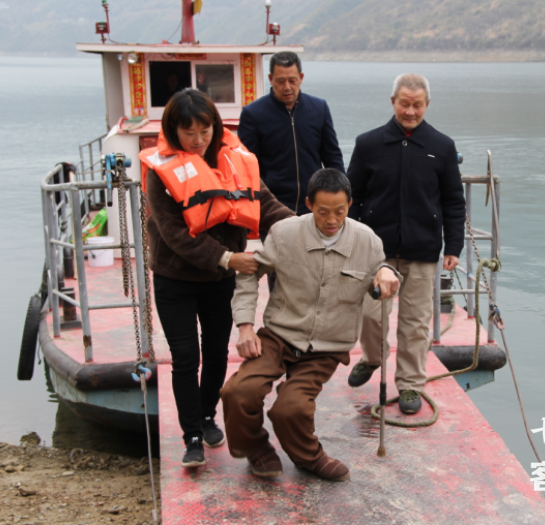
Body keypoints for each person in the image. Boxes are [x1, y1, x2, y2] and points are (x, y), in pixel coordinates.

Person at [139, 89, 294, 468]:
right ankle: (191, 435)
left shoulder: (233, 159)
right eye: (188, 132)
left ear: (215, 127)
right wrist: (226, 257)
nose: (198, 140)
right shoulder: (161, 172)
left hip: (219, 280)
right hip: (175, 279)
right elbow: (173, 233)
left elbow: (266, 204)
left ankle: (208, 416)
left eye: (205, 131)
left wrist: (304, 228)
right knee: (185, 357)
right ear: (173, 131)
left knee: (215, 353)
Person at [221, 168, 400, 481]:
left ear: (350, 204)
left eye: (340, 212)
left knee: (290, 408)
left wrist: (387, 273)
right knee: (238, 391)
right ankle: (255, 448)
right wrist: (245, 325)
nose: (332, 220)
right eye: (322, 212)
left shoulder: (367, 240)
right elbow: (249, 271)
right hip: (280, 334)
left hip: (328, 345)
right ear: (308, 204)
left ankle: (308, 457)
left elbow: (382, 273)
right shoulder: (284, 233)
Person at [345, 73, 466, 415]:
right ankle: (373, 358)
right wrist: (353, 240)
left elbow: (453, 202)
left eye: (417, 105)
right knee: (370, 315)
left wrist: (453, 247)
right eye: (404, 104)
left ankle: (411, 383)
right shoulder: (368, 144)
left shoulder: (442, 147)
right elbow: (352, 197)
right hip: (376, 252)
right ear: (393, 102)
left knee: (415, 322)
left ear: (427, 104)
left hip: (422, 251)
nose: (410, 111)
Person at [238, 51, 344, 215]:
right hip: (273, 206)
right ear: (270, 79)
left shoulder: (319, 108)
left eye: (292, 81)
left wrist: (341, 192)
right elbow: (247, 165)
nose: (287, 87)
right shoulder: (253, 114)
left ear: (301, 77)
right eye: (280, 81)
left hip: (314, 204)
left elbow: (332, 156)